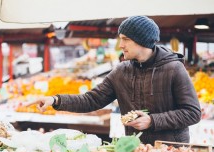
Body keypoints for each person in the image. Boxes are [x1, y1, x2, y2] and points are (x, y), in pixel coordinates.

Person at [25, 16, 201, 144]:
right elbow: (91, 100)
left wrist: (152, 120)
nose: (121, 45)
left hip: (171, 151)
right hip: (135, 149)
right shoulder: (121, 71)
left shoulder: (174, 69)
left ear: (143, 42)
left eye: (126, 39)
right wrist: (55, 100)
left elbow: (193, 112)